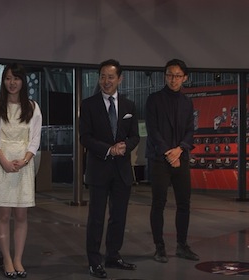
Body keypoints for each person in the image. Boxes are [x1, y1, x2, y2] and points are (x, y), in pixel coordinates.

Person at [79, 59, 140, 278]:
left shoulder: (129, 106)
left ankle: (113, 255)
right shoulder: (88, 104)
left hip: (122, 171)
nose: (106, 81)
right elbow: (84, 137)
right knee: (96, 217)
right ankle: (94, 261)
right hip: (99, 169)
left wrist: (126, 146)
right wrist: (109, 149)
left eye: (111, 77)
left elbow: (135, 136)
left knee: (119, 216)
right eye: (103, 76)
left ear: (119, 79)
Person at [0, 63, 42, 279]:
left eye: (16, 78)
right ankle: (7, 258)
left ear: (23, 81)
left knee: (21, 214)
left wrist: (25, 160)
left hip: (23, 165)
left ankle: (18, 258)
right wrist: (5, 162)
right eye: (8, 78)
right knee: (4, 214)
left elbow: (35, 140)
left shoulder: (33, 107)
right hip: (1, 162)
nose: (12, 82)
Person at [145, 59, 198, 263]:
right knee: (158, 203)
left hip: (180, 157)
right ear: (165, 76)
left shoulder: (187, 102)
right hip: (159, 158)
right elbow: (153, 130)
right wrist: (168, 152)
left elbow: (190, 130)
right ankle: (159, 247)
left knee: (184, 204)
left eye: (177, 75)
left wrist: (179, 150)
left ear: (184, 78)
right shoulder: (154, 99)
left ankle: (182, 245)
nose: (173, 79)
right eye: (169, 74)